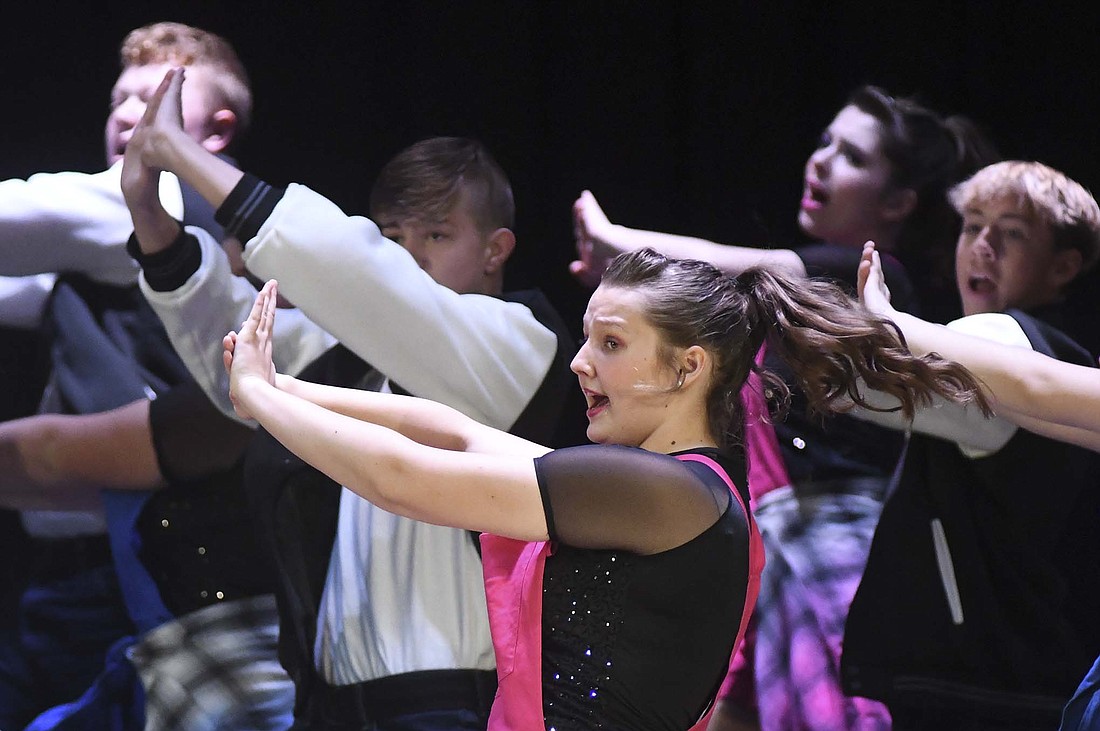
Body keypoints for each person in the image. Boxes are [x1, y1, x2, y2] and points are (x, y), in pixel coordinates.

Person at [217, 232, 991, 729]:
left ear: (690, 367)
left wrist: (257, 397)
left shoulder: (666, 493)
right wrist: (283, 387)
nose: (582, 363)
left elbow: (401, 479)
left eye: (612, 342)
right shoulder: (664, 489)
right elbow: (450, 430)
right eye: (587, 339)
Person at [124, 66, 585, 729]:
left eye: (435, 235)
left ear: (495, 250)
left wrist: (181, 152)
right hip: (333, 705)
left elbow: (363, 277)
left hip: (459, 705)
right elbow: (239, 352)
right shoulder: (352, 358)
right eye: (393, 236)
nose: (408, 255)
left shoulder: (520, 343)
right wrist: (152, 220)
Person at [574, 86, 997, 731]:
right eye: (824, 141)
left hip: (838, 541)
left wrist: (618, 245)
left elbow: (753, 272)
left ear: (898, 203)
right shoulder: (784, 311)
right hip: (767, 540)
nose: (821, 161)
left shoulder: (876, 285)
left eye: (852, 155)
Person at [0, 22, 268, 730]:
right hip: (90, 562)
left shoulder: (159, 203)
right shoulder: (103, 254)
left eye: (150, 97)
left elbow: (15, 218)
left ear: (213, 131)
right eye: (118, 97)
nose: (124, 111)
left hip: (139, 555)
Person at [840, 161, 1100, 729]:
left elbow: (859, 385)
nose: (982, 246)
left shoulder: (1001, 336)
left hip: (978, 683)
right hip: (1029, 671)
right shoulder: (1065, 353)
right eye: (972, 225)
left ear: (1064, 266)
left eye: (1011, 232)